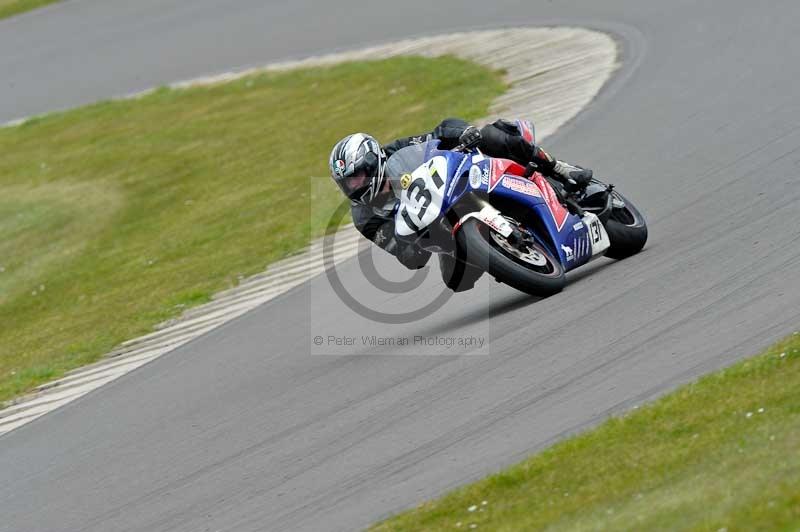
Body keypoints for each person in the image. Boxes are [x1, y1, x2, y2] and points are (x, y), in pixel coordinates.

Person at [327, 118, 592, 292]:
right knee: (455, 280)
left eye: (358, 177)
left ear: (375, 162)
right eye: (348, 184)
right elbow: (408, 257)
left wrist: (465, 134)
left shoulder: (395, 151)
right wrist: (409, 244)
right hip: (439, 230)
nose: (355, 186)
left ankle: (559, 168)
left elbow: (438, 133)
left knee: (493, 135)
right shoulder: (364, 216)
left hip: (460, 185)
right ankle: (503, 255)